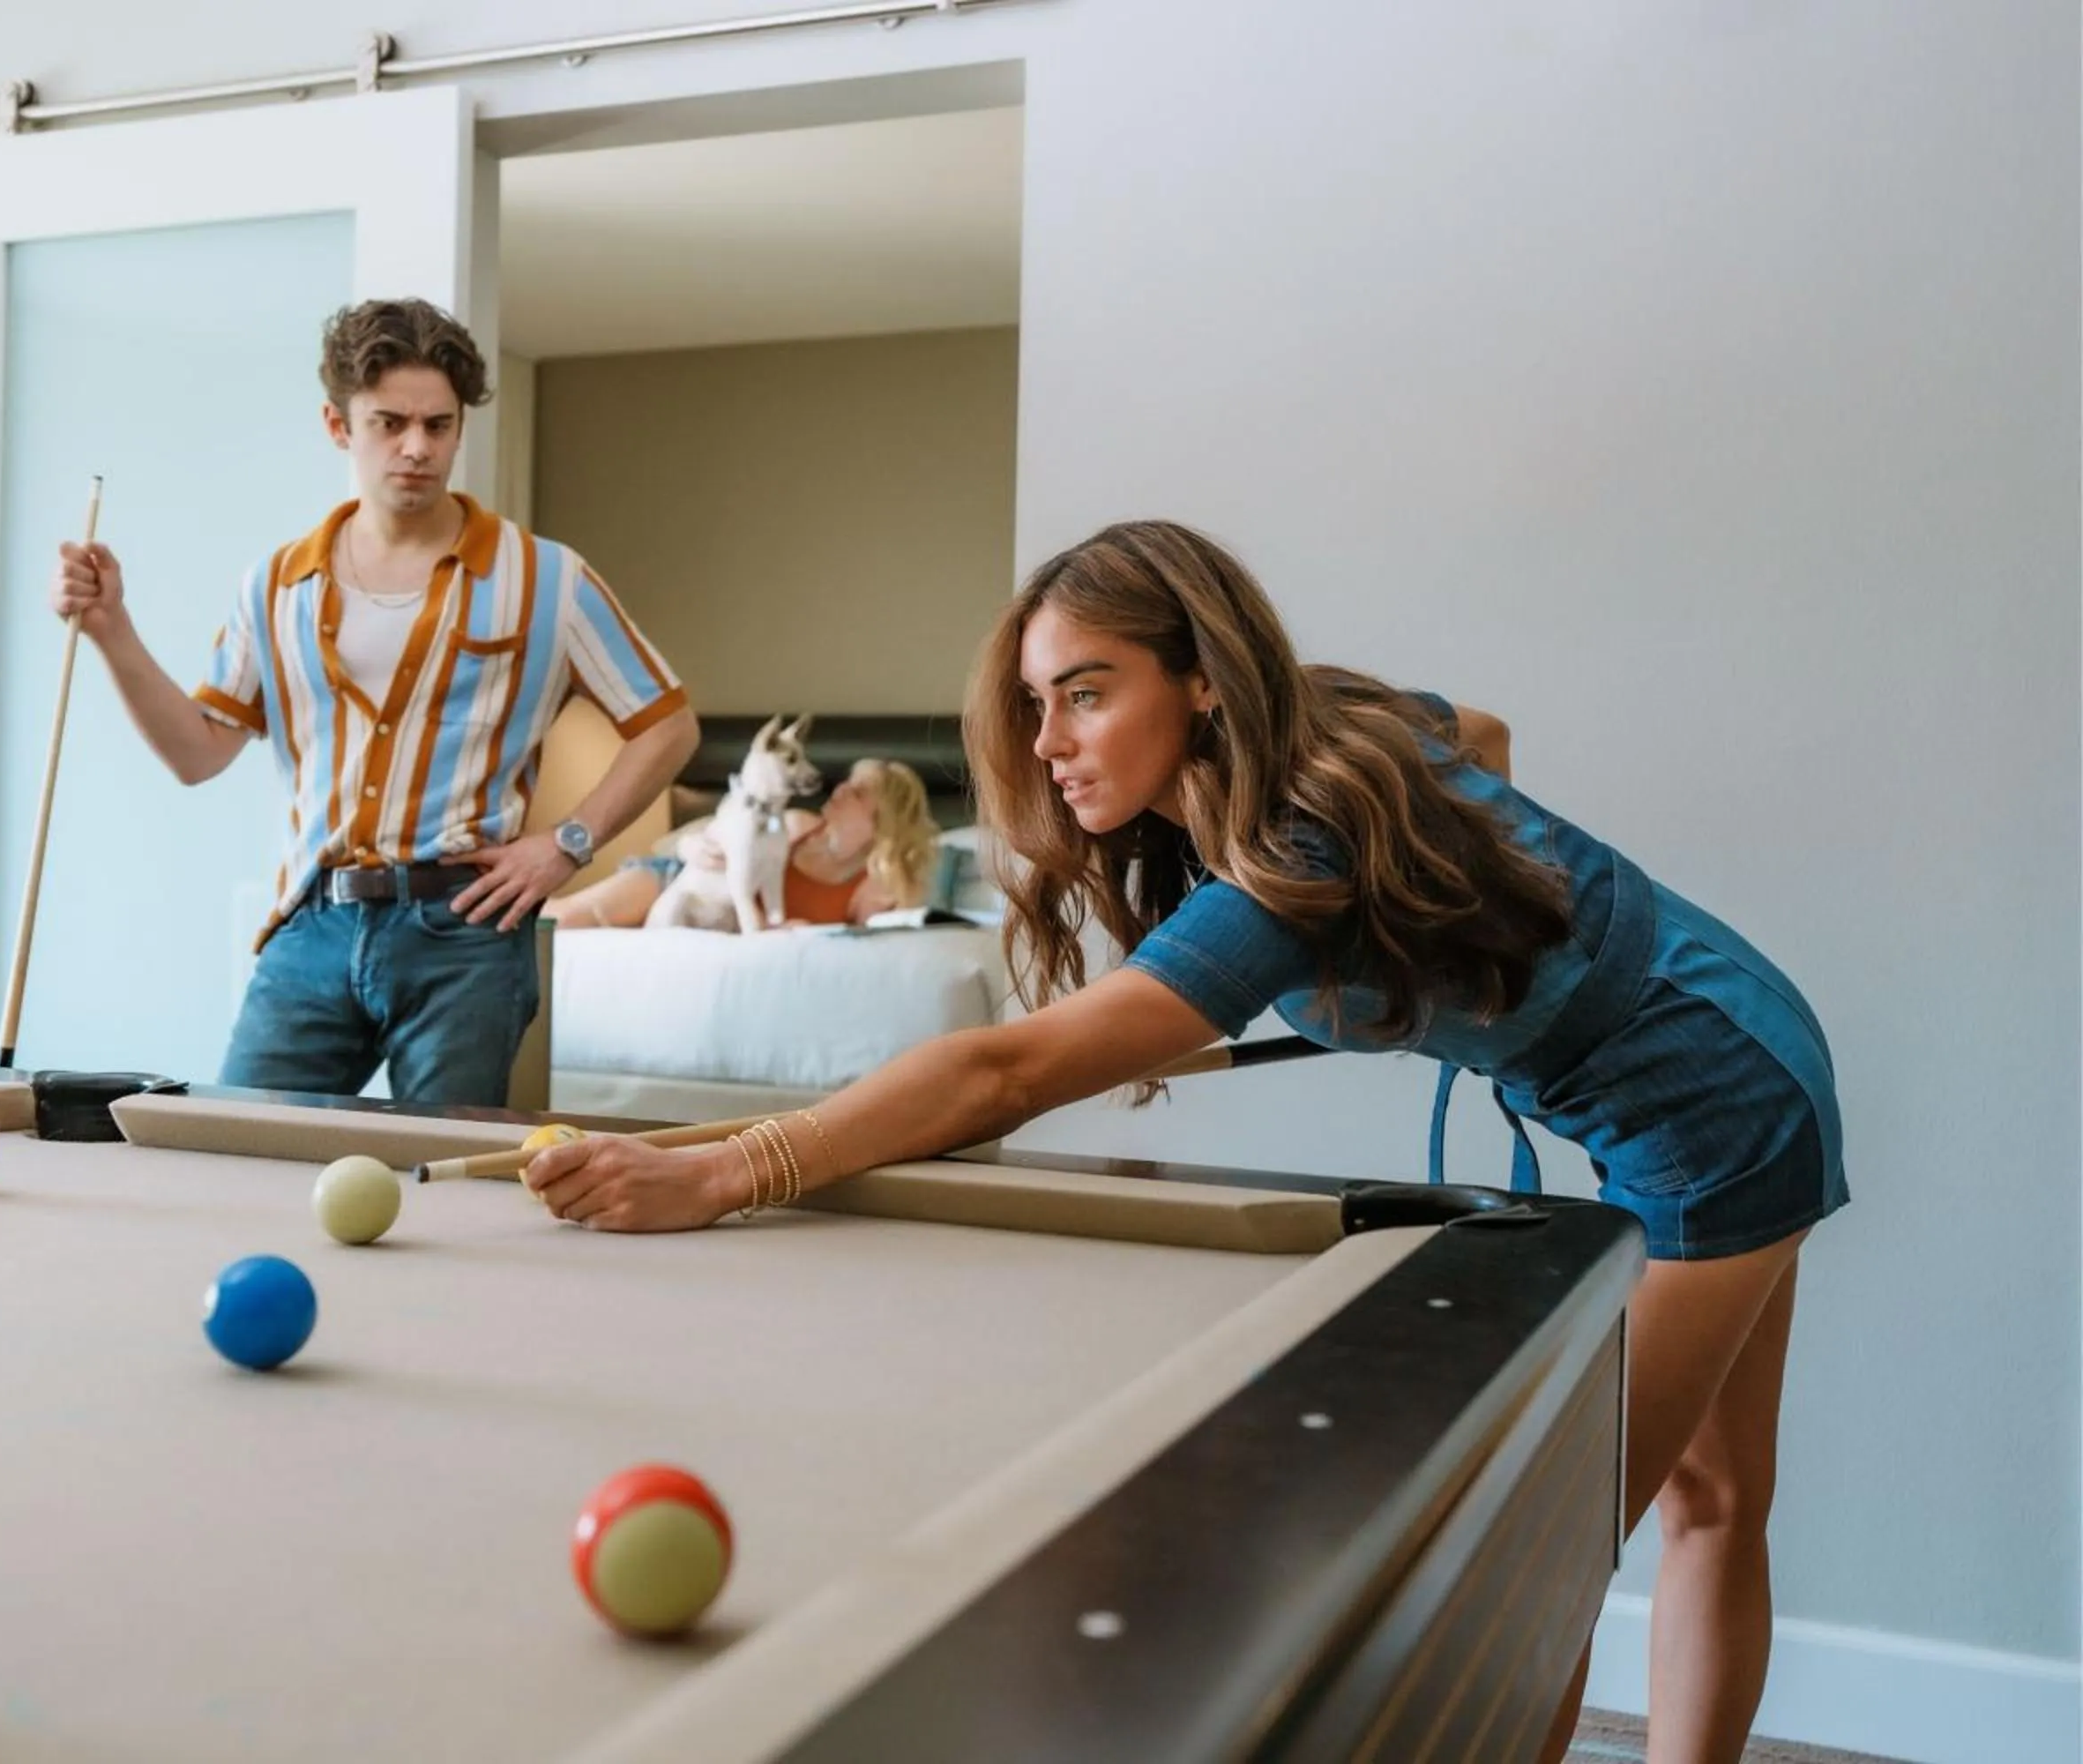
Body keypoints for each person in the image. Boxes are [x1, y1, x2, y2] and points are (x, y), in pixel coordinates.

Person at [526, 519, 1841, 1764]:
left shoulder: (1287, 853)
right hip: (1712, 1038)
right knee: (1707, 1502)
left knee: (1544, 1555)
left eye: (1086, 693)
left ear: (1201, 683)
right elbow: (1480, 735)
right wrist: (1422, 935)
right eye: (1039, 703)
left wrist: (722, 1168)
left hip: (1713, 1095)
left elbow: (1005, 1070)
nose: (1049, 741)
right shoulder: (1325, 737)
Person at [50, 298, 699, 1105]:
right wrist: (112, 629)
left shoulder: (548, 580)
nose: (417, 448)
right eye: (389, 423)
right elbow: (196, 752)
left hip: (463, 932)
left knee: (439, 1180)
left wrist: (567, 844)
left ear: (460, 428)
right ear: (338, 425)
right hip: (311, 925)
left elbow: (667, 725)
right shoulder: (278, 582)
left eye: (438, 425)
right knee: (232, 1148)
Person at [546, 757, 942, 929]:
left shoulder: (874, 883)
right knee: (561, 919)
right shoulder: (796, 823)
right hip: (676, 878)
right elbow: (688, 839)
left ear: (883, 820)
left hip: (713, 922)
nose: (838, 790)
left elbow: (877, 942)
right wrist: (691, 847)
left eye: (857, 792)